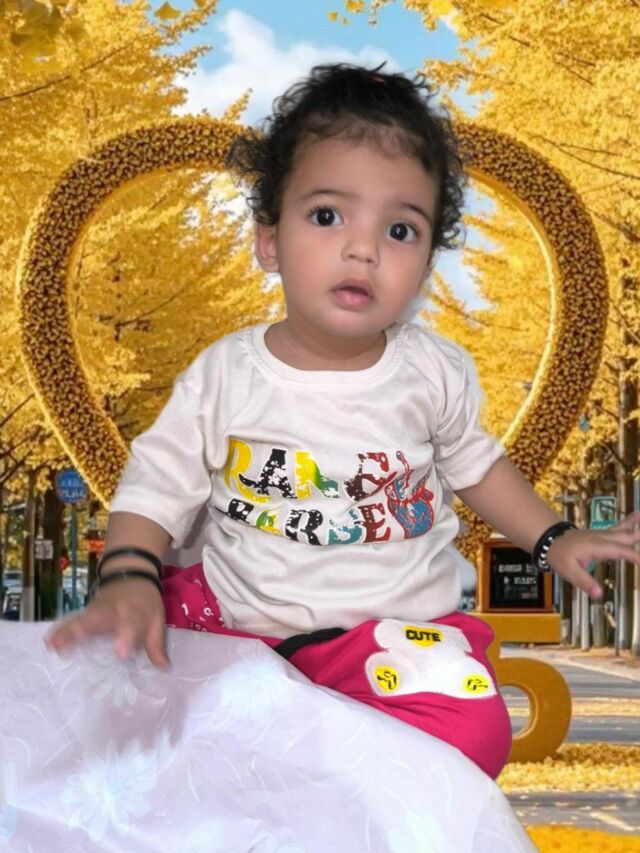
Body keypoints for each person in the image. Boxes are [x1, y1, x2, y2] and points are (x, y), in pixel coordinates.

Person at [47, 63, 640, 779]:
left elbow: (479, 467)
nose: (364, 249)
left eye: (400, 229)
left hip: (389, 634)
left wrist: (553, 537)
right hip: (241, 622)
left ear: (425, 267)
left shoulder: (433, 371)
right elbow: (157, 483)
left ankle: (323, 767)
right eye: (327, 216)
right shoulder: (227, 373)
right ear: (269, 241)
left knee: (478, 733)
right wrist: (129, 573)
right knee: (131, 698)